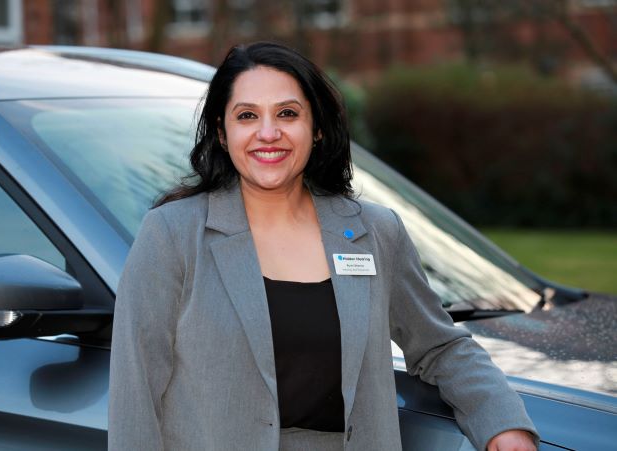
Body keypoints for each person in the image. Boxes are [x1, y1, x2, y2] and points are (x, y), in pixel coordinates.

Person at [109, 42, 538, 451]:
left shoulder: (375, 231)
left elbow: (439, 345)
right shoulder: (171, 234)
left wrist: (502, 420)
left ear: (315, 129)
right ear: (222, 134)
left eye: (288, 113)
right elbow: (136, 387)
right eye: (246, 116)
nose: (268, 133)